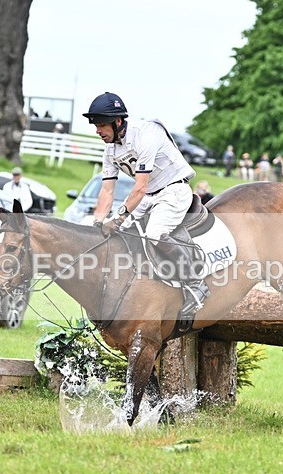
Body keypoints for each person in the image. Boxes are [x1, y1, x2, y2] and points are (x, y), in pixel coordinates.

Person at [84, 91, 209, 315]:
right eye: (95, 125)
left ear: (118, 121)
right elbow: (107, 189)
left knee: (154, 233)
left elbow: (139, 187)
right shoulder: (110, 148)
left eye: (101, 125)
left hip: (173, 190)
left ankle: (195, 282)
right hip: (149, 195)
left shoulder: (147, 134)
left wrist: (120, 217)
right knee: (116, 233)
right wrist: (99, 222)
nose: (97, 131)